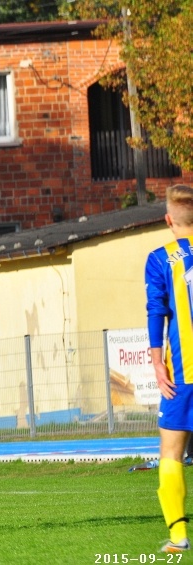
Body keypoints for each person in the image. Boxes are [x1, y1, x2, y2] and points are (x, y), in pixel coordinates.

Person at [145, 183, 193, 553]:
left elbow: (156, 311)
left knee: (171, 452)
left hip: (184, 374)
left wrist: (156, 362)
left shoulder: (161, 259)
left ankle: (178, 537)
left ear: (167, 219)